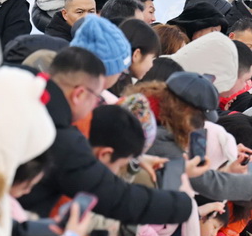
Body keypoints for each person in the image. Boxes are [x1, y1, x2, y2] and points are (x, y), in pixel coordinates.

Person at [18, 47, 193, 224]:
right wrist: (184, 202)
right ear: (79, 94)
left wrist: (138, 159)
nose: (97, 103)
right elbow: (120, 199)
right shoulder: (63, 142)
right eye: (96, 96)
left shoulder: (19, 81)